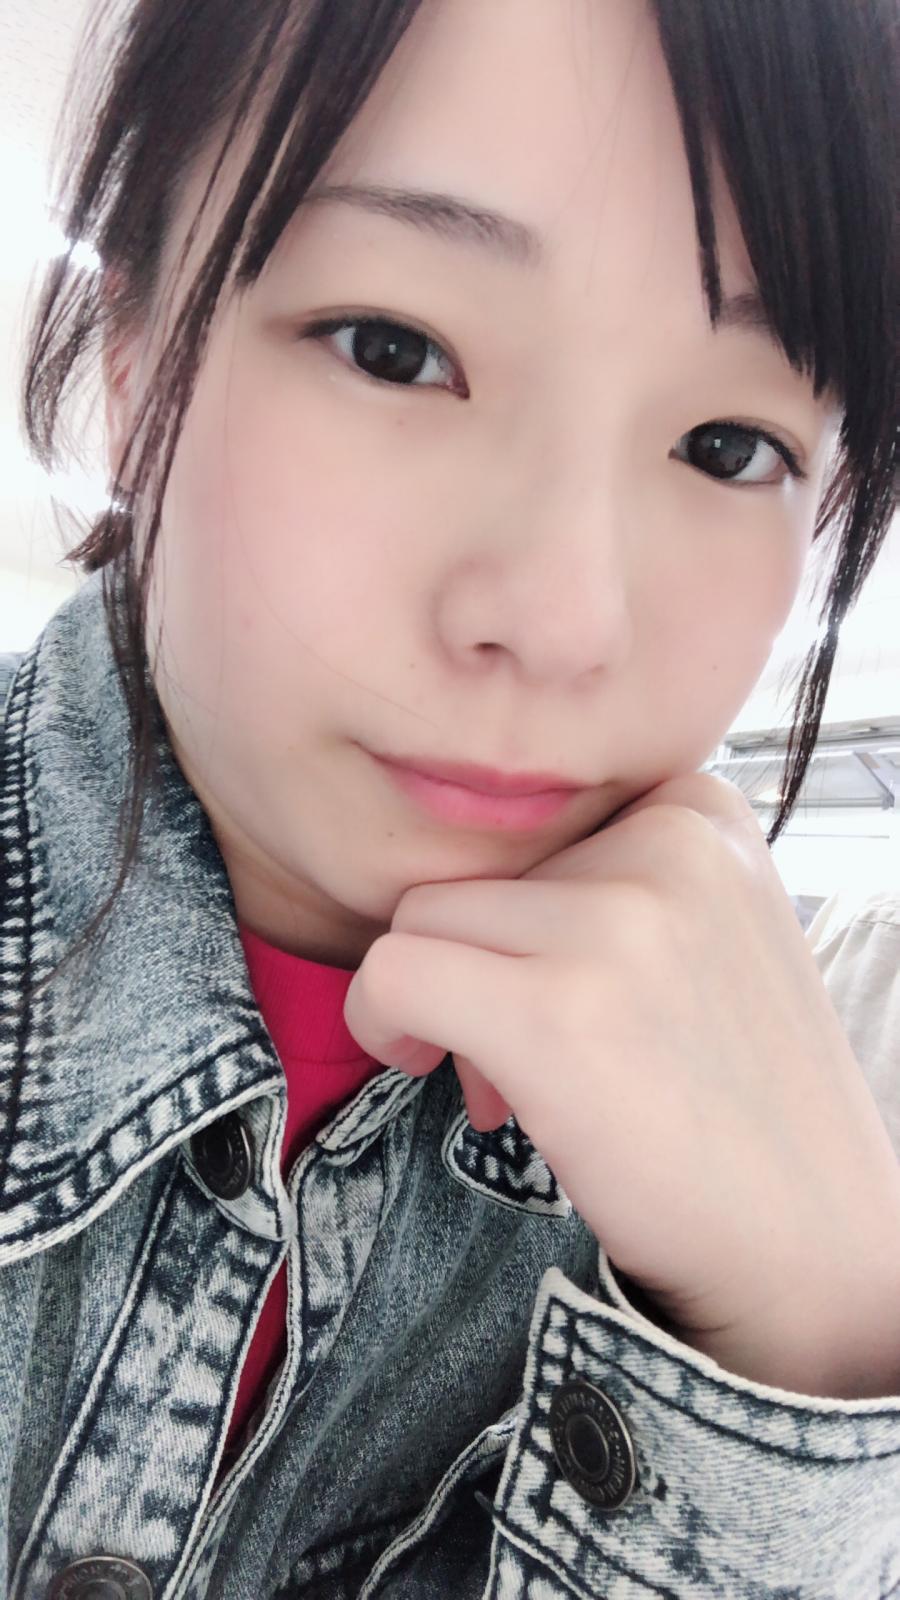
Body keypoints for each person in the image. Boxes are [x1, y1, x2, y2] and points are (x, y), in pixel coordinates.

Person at [0, 1, 897, 1594]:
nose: (561, 619)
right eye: (395, 350)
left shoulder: (795, 1176)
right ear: (132, 356)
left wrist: (813, 1364)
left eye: (722, 443)